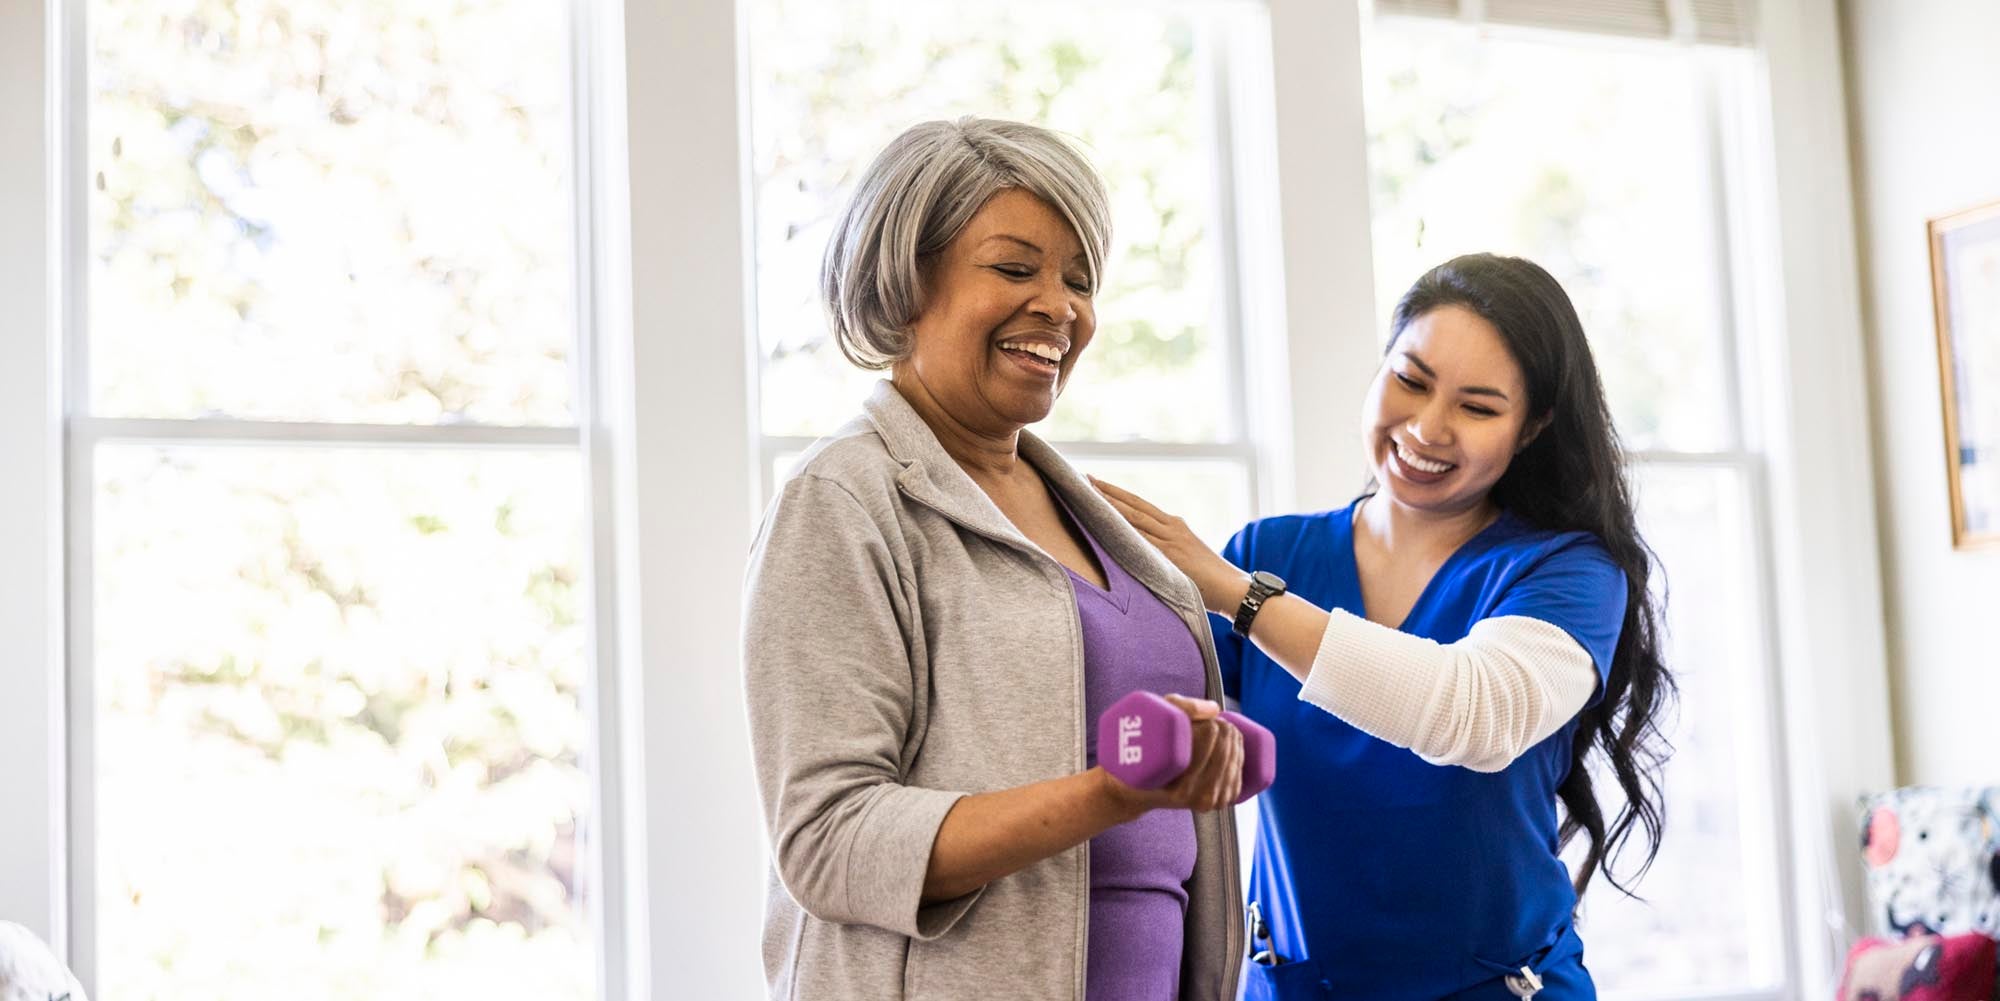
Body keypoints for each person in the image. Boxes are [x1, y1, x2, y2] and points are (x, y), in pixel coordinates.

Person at [742, 117, 1248, 1001]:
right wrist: (1108, 793)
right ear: (906, 284)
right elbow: (828, 840)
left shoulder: (1096, 519)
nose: (1061, 307)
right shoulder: (844, 501)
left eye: (1079, 280)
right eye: (1016, 268)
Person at [1095, 253, 1675, 1000]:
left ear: (1532, 428)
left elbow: (1473, 713)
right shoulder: (1270, 554)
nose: (1428, 427)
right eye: (1411, 379)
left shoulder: (1569, 572)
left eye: (1478, 406)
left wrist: (1235, 594)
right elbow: (1154, 740)